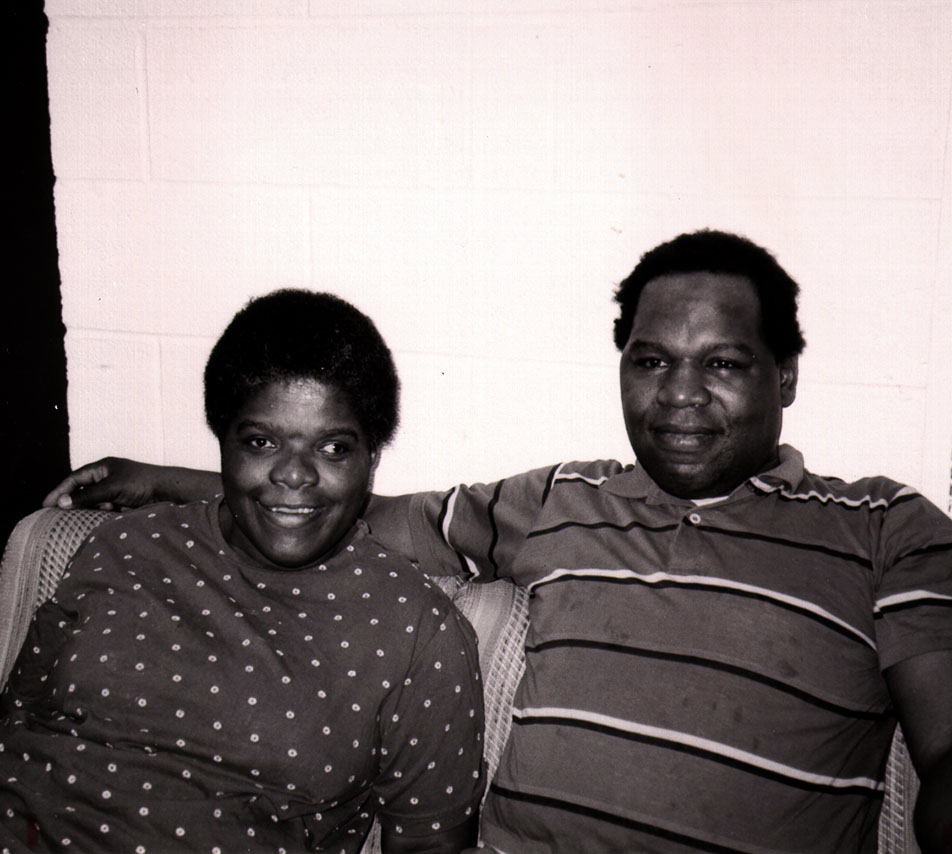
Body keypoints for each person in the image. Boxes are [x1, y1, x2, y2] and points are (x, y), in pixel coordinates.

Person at [42, 231, 952, 853]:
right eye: (650, 360)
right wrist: (167, 479)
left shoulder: (884, 529)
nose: (678, 394)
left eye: (720, 363)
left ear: (785, 375)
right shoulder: (559, 500)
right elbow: (340, 499)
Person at [2, 290, 485, 853]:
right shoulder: (124, 544)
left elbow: (433, 846)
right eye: (261, 442)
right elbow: (17, 717)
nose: (295, 475)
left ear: (372, 459)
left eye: (333, 448)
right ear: (223, 442)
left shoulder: (417, 632)